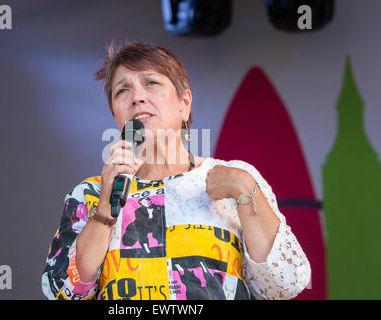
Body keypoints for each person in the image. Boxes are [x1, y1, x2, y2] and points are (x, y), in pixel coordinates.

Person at [41, 40, 311, 300]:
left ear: (184, 103)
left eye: (151, 83)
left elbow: (285, 285)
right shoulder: (92, 193)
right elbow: (64, 292)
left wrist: (245, 190)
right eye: (122, 90)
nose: (137, 97)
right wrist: (104, 211)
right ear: (116, 115)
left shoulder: (235, 179)